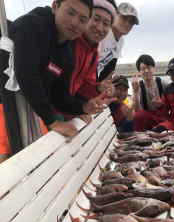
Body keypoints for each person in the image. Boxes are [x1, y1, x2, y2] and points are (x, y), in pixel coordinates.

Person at [0, 0, 106, 154]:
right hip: (4, 99)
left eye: (82, 19)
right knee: (6, 154)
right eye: (70, 12)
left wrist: (82, 107)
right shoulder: (33, 25)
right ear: (55, 7)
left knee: (48, 155)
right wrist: (51, 121)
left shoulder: (67, 53)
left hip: (29, 107)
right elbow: (27, 75)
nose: (74, 23)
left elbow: (59, 97)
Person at [97, 2, 138, 81]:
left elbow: (109, 68)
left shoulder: (121, 41)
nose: (127, 24)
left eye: (131, 22)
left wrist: (100, 87)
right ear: (115, 15)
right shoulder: (104, 32)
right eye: (124, 18)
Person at [132, 54, 169, 131]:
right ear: (139, 72)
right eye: (143, 68)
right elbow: (136, 110)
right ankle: (141, 138)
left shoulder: (164, 83)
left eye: (149, 67)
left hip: (163, 117)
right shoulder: (137, 86)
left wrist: (162, 104)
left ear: (153, 69)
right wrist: (135, 91)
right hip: (148, 118)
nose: (146, 71)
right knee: (136, 115)